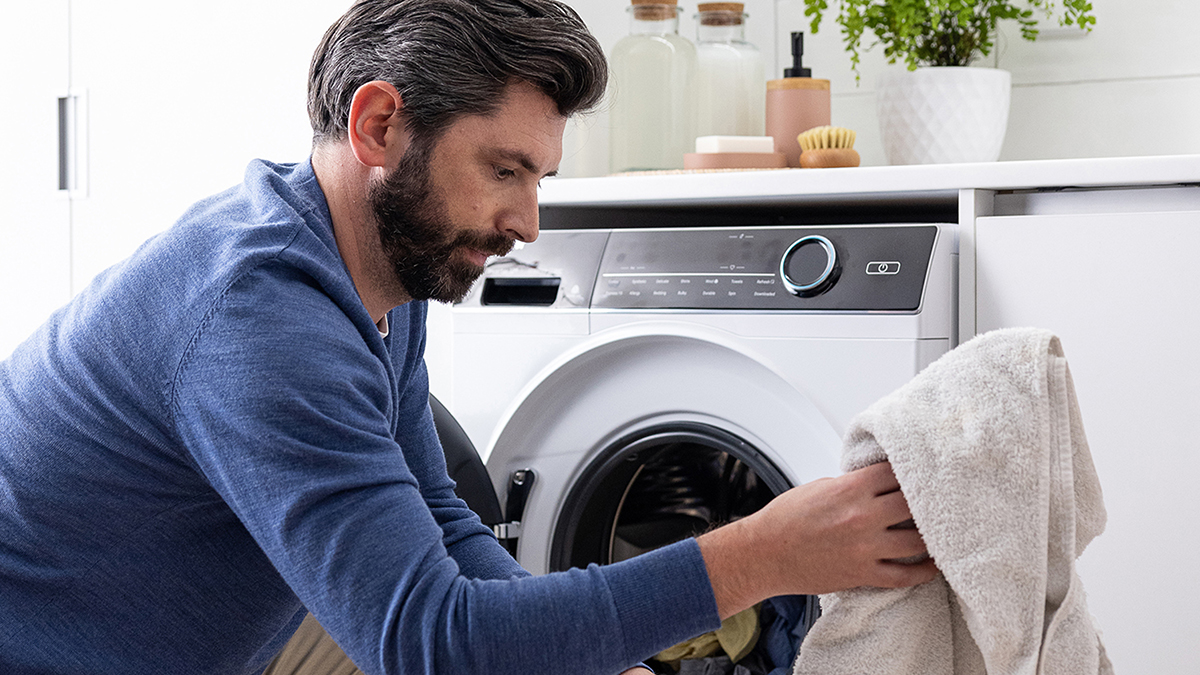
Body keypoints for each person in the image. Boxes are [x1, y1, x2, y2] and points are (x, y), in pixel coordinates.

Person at [0, 1, 937, 673]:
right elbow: (434, 643)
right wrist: (764, 553)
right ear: (378, 125)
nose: (527, 220)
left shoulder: (372, 267)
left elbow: (441, 522)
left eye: (539, 179)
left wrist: (576, 651)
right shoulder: (259, 318)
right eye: (503, 169)